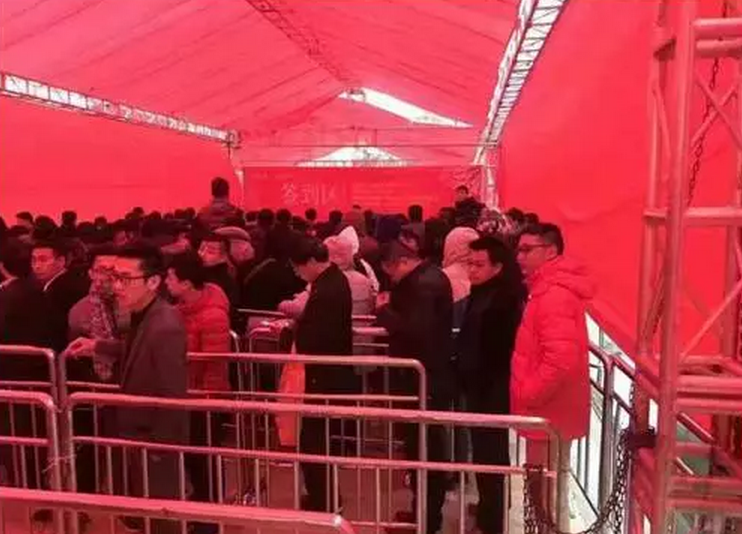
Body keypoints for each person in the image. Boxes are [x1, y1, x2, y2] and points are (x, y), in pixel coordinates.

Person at [66, 242, 189, 534]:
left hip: (154, 440)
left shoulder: (165, 324)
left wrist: (161, 448)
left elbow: (173, 393)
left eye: (124, 279)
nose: (116, 286)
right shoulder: (144, 314)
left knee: (162, 518)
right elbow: (136, 350)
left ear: (153, 281)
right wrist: (98, 346)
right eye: (114, 277)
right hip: (139, 435)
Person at [511, 222, 595, 522]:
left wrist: (529, 393)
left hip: (547, 414)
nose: (519, 257)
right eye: (518, 250)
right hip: (549, 413)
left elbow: (560, 360)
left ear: (550, 251)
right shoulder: (546, 290)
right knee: (547, 492)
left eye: (527, 250)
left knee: (545, 497)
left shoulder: (553, 295)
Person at [375, 240, 453, 534]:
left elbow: (415, 330)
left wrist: (384, 311)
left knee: (425, 451)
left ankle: (427, 521)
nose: (391, 279)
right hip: (421, 379)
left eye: (391, 271)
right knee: (421, 450)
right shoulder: (427, 279)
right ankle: (422, 515)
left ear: (402, 262)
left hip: (423, 381)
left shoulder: (423, 285)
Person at [455, 236, 527, 534]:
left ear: (497, 267)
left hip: (492, 387)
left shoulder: (504, 299)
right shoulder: (483, 292)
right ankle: (489, 508)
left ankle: (492, 520)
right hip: (479, 384)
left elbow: (499, 350)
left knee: (491, 454)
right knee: (485, 453)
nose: (472, 270)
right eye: (470, 264)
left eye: (479, 265)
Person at [165, 252, 230, 534]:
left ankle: (209, 520)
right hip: (186, 395)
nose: (166, 282)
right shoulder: (179, 309)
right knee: (192, 459)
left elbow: (214, 361)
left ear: (187, 282)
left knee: (206, 461)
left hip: (205, 398)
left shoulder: (213, 314)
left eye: (170, 278)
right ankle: (199, 512)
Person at [289, 238, 354, 513]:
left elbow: (314, 337)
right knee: (316, 440)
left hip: (325, 374)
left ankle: (324, 500)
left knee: (315, 441)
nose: (298, 273)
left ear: (313, 262)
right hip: (327, 372)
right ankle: (323, 497)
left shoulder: (327, 289)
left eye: (299, 268)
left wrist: (295, 329)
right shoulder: (333, 281)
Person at [69, 244, 128, 382]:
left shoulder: (136, 302)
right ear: (91, 273)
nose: (109, 276)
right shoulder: (79, 311)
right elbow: (76, 356)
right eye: (102, 270)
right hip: (96, 384)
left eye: (114, 270)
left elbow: (142, 347)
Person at [32, 239, 90, 354]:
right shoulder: (59, 283)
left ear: (61, 261)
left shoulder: (63, 290)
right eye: (33, 260)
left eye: (43, 260)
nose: (36, 266)